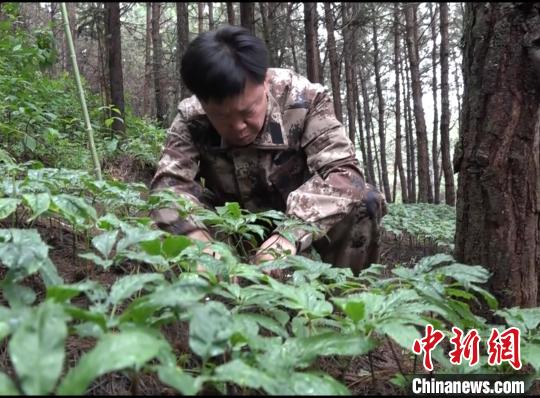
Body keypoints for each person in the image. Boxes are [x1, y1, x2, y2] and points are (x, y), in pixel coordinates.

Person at [149, 25, 386, 276]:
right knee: (165, 224)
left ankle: (344, 300)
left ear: (264, 81)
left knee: (364, 202)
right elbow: (168, 187)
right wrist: (196, 240)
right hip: (232, 224)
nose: (238, 127)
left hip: (301, 219)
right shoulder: (191, 116)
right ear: (203, 104)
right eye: (222, 117)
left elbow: (344, 173)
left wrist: (289, 233)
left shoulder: (304, 100)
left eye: (247, 112)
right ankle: (212, 304)